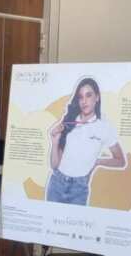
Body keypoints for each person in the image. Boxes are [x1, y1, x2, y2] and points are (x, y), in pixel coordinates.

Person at [46, 77, 125, 206]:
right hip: (56, 184)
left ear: (97, 97)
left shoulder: (104, 128)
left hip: (79, 189)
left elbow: (120, 161)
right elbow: (54, 165)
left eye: (88, 95)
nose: (84, 101)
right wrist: (54, 142)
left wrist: (97, 162)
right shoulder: (69, 122)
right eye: (80, 97)